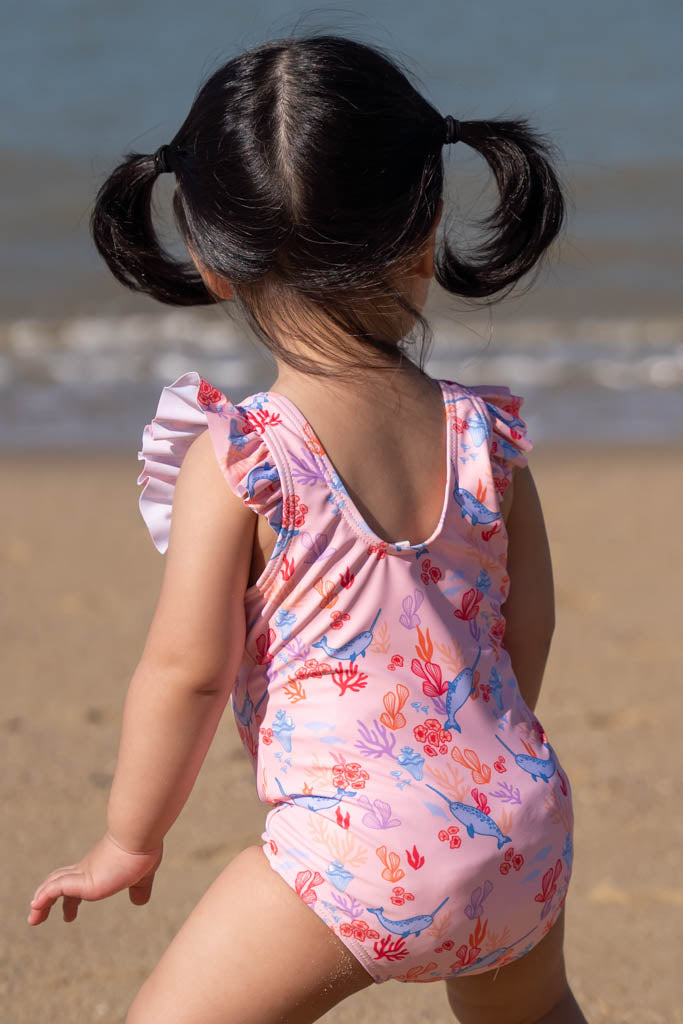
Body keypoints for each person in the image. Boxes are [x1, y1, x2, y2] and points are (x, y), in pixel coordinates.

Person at [27, 33, 587, 1024]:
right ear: (424, 232)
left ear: (209, 259)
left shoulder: (245, 458)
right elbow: (526, 625)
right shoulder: (485, 438)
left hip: (355, 849)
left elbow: (186, 671)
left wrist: (130, 838)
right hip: (517, 815)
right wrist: (471, 766)